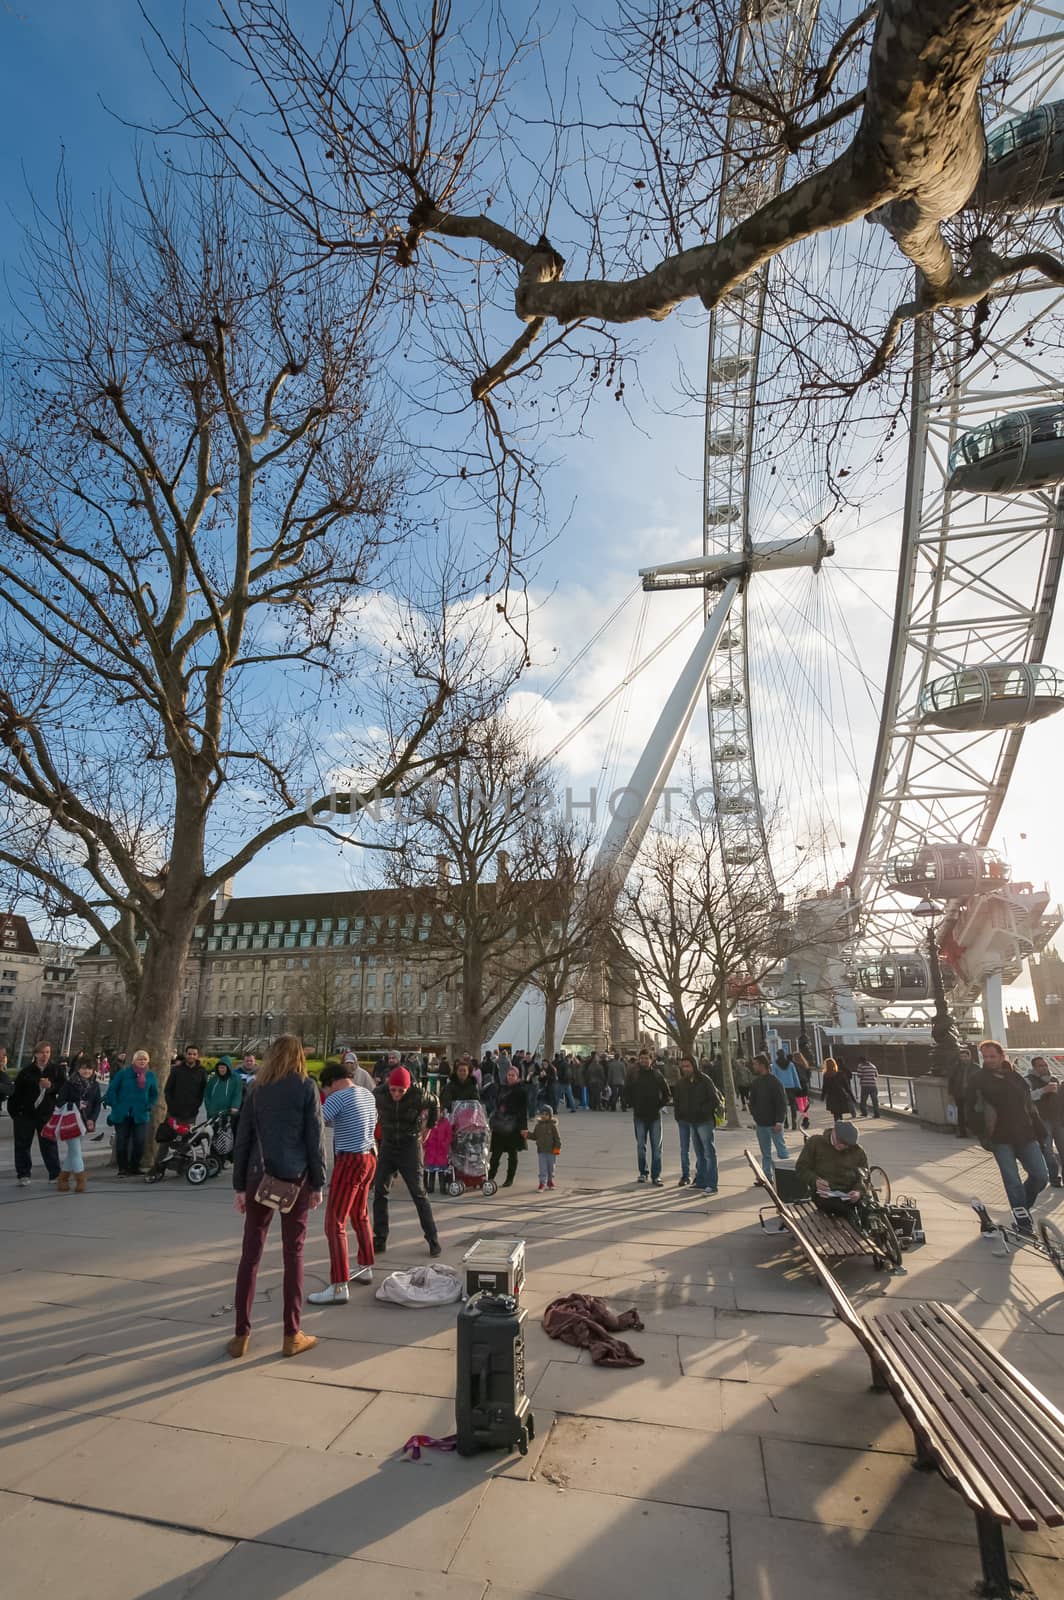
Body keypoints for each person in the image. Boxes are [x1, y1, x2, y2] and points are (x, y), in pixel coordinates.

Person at [229, 1034, 324, 1358]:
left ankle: (241, 1333)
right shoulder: (305, 1087)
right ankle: (290, 1333)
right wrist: (318, 1183)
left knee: (250, 1255)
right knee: (293, 1255)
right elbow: (315, 1139)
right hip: (294, 1180)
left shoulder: (256, 1089)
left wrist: (239, 1186)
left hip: (259, 1177)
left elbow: (242, 1139)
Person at [309, 1060, 378, 1304]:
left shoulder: (338, 1097)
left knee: (334, 1222)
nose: (327, 1094)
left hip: (350, 1159)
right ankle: (366, 1265)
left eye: (326, 1089)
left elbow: (317, 1122)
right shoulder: (367, 1094)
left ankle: (339, 1285)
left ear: (332, 1083)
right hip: (370, 1156)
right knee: (360, 1214)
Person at [967, 1040, 1049, 1231]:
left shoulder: (1015, 1077)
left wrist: (1040, 1130)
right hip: (999, 1138)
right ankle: (1022, 1219)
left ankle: (1022, 1208)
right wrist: (982, 1134)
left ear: (1002, 1056)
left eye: (992, 1056)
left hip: (1025, 1135)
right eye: (985, 1057)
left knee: (1040, 1176)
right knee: (1012, 1181)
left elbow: (1029, 1106)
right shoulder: (978, 1080)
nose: (988, 1060)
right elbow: (971, 1109)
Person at [372, 1066, 442, 1255]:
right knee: (380, 1191)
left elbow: (435, 1102)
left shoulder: (418, 1095)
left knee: (418, 1192)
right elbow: (368, 1108)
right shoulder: (379, 1093)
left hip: (409, 1144)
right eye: (393, 1089)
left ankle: (433, 1238)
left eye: (400, 1091)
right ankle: (380, 1238)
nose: (396, 1094)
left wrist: (429, 1127)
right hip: (388, 1145)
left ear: (408, 1088)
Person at [9, 1042, 61, 1186]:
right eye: (42, 1052)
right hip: (26, 1114)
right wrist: (16, 1113)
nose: (45, 1055)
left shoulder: (56, 1070)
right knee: (23, 1144)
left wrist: (51, 1087)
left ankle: (55, 1174)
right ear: (36, 1054)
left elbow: (63, 1088)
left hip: (46, 1114)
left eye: (48, 1052)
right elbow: (16, 1093)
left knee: (49, 1144)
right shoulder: (26, 1072)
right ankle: (23, 1174)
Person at [672, 1055, 723, 1193]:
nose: (685, 1069)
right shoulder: (682, 1083)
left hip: (704, 1120)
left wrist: (702, 1111)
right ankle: (700, 1180)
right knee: (699, 1153)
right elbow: (677, 1100)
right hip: (691, 1121)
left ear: (694, 1066)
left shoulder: (705, 1080)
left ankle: (712, 1184)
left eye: (688, 1066)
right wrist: (680, 1115)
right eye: (683, 1067)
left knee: (708, 1152)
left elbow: (714, 1100)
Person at [104, 1051, 159, 1174]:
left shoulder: (150, 1076)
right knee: (122, 1141)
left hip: (141, 1113)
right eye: (139, 1059)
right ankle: (122, 1168)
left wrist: (149, 1105)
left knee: (139, 1141)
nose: (142, 1061)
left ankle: (134, 1166)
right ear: (134, 1061)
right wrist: (115, 1105)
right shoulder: (123, 1074)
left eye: (144, 1059)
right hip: (122, 1113)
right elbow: (112, 1089)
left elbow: (154, 1094)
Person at [796, 1120, 868, 1214]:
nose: (841, 1145)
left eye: (845, 1144)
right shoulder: (816, 1142)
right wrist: (815, 1181)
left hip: (849, 1195)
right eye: (838, 1141)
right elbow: (801, 1168)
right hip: (824, 1195)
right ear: (833, 1131)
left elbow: (864, 1176)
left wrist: (858, 1191)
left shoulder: (857, 1151)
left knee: (871, 1211)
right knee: (842, 1210)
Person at [54, 1057, 102, 1193]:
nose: (86, 1071)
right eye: (83, 1068)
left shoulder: (95, 1085)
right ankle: (81, 1180)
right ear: (78, 1069)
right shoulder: (69, 1083)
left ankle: (62, 1179)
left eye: (89, 1068)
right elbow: (59, 1102)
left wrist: (93, 1119)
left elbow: (97, 1103)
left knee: (72, 1152)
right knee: (76, 1151)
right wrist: (75, 1104)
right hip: (71, 1121)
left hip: (85, 1122)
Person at [627, 1048, 671, 1186]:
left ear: (651, 1060)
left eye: (646, 1058)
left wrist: (659, 1105)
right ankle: (643, 1172)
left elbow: (667, 1093)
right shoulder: (634, 1075)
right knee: (641, 1146)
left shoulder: (657, 1075)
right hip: (639, 1116)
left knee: (656, 1147)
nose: (644, 1060)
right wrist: (633, 1104)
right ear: (639, 1060)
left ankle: (656, 1175)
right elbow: (626, 1091)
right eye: (642, 1058)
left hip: (654, 1116)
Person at [749, 1053, 788, 1179]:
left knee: (781, 1151)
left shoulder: (775, 1082)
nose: (753, 1066)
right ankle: (766, 1176)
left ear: (762, 1065)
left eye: (755, 1064)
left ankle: (787, 1174)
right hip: (761, 1123)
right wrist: (755, 1115)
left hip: (773, 1123)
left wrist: (779, 1121)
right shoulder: (756, 1083)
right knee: (765, 1153)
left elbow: (781, 1103)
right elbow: (752, 1101)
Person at [489, 1064, 530, 1187]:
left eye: (513, 1075)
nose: (510, 1077)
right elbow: (495, 1104)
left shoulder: (521, 1091)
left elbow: (523, 1111)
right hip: (500, 1125)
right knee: (495, 1154)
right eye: (509, 1075)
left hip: (514, 1126)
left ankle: (509, 1178)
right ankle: (490, 1177)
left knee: (513, 1154)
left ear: (517, 1077)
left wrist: (524, 1128)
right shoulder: (501, 1088)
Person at [1027, 1057, 1064, 1187]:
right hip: (1042, 1120)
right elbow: (1026, 1097)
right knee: (1047, 1150)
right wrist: (1043, 1090)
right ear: (1034, 1068)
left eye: (1045, 1065)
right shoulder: (1029, 1080)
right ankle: (1054, 1177)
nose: (1044, 1068)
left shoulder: (1054, 1079)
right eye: (1040, 1066)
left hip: (1058, 1119)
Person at [204, 1056, 244, 1152]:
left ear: (228, 1067)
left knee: (226, 1136)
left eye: (224, 1067)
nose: (221, 1069)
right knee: (213, 1135)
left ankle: (226, 1158)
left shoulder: (235, 1079)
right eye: (220, 1067)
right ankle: (213, 1156)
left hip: (227, 1113)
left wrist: (235, 1106)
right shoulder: (213, 1079)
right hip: (213, 1113)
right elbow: (207, 1094)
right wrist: (209, 1108)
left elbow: (237, 1094)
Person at [165, 1045, 208, 1124]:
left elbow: (203, 1090)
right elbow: (168, 1089)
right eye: (189, 1054)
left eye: (194, 1054)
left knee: (187, 1135)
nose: (191, 1056)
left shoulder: (201, 1071)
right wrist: (171, 1106)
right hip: (174, 1112)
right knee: (171, 1135)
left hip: (191, 1113)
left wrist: (196, 1105)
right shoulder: (176, 1070)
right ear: (185, 1054)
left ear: (197, 1056)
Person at [533, 1104, 561, 1190]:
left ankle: (550, 1181)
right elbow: (535, 1136)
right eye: (542, 1114)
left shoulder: (553, 1126)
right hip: (541, 1151)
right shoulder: (538, 1126)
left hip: (551, 1151)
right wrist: (527, 1135)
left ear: (550, 1115)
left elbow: (557, 1138)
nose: (544, 1116)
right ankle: (542, 1183)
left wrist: (557, 1149)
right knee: (542, 1168)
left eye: (546, 1114)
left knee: (551, 1168)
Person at [771, 1050, 802, 1130]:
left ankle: (786, 1123)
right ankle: (794, 1121)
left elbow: (774, 1076)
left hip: (780, 1086)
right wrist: (798, 1085)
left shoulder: (775, 1065)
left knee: (783, 1105)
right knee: (793, 1104)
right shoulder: (790, 1064)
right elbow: (794, 1075)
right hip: (791, 1085)